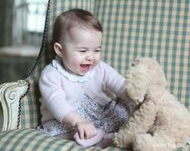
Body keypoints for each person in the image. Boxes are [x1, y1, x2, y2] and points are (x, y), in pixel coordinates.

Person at [38, 8, 133, 148]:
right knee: (73, 133)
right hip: (67, 122)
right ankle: (104, 138)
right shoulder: (51, 75)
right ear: (60, 50)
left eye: (97, 50)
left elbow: (119, 84)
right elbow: (56, 102)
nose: (90, 57)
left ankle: (119, 132)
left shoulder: (99, 68)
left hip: (100, 115)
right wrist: (78, 121)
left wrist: (136, 97)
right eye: (83, 51)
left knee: (126, 107)